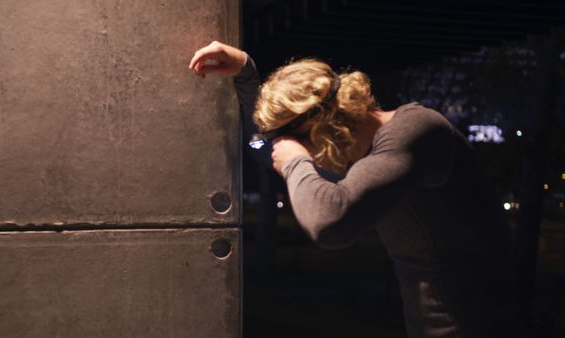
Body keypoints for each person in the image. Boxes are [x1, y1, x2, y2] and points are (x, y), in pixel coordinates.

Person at [190, 41, 526, 338]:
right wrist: (246, 74)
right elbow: (271, 156)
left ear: (320, 127)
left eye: (297, 142)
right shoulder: (365, 156)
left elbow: (330, 223)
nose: (302, 155)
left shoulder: (416, 133)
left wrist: (295, 162)